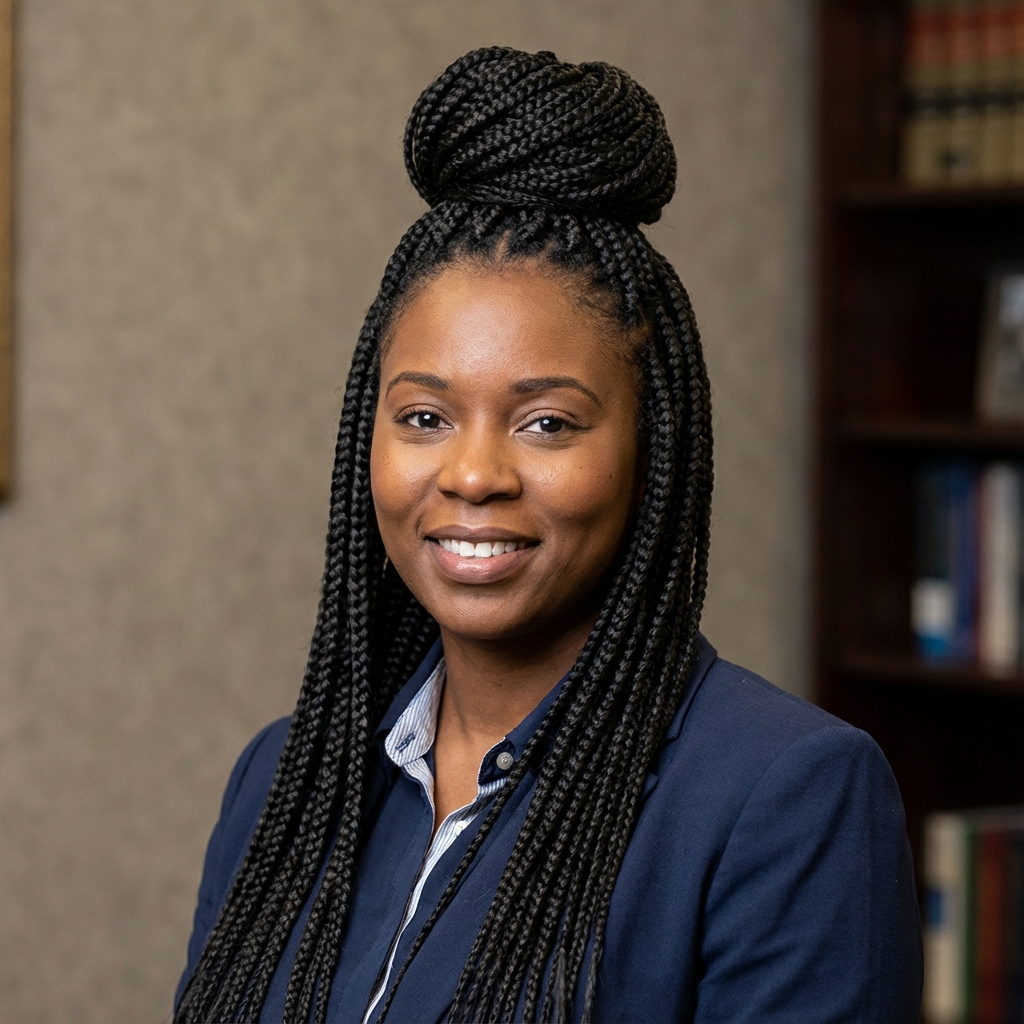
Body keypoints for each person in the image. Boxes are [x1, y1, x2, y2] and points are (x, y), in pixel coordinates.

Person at [174, 47, 922, 1024]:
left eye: (546, 423)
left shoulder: (784, 795)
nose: (473, 474)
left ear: (652, 450)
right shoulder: (284, 778)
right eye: (424, 417)